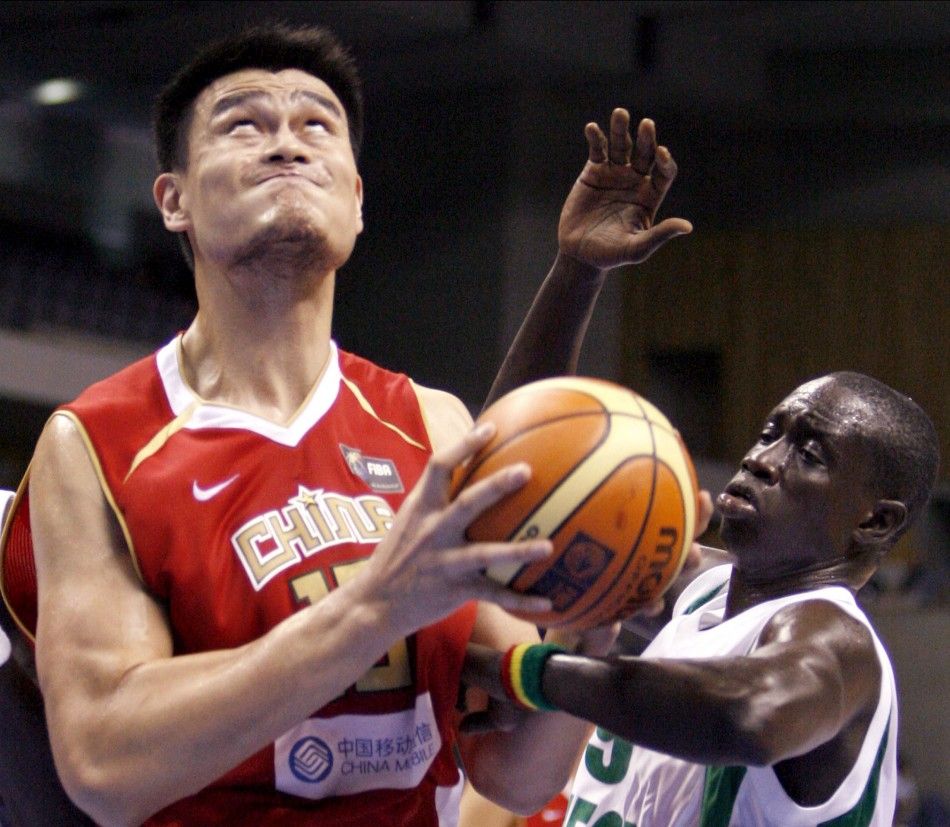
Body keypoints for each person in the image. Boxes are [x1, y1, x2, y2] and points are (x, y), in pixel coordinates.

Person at [0, 22, 698, 826]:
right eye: (244, 125)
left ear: (358, 201)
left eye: (316, 126)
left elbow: (514, 771)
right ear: (174, 200)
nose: (287, 145)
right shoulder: (93, 444)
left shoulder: (429, 424)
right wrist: (375, 608)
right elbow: (104, 763)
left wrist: (595, 625)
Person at [465, 326, 940, 822]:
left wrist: (521, 674)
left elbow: (749, 717)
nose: (761, 460)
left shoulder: (839, 642)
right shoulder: (705, 590)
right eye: (770, 434)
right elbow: (506, 476)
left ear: (875, 520)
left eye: (809, 455)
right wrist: (578, 273)